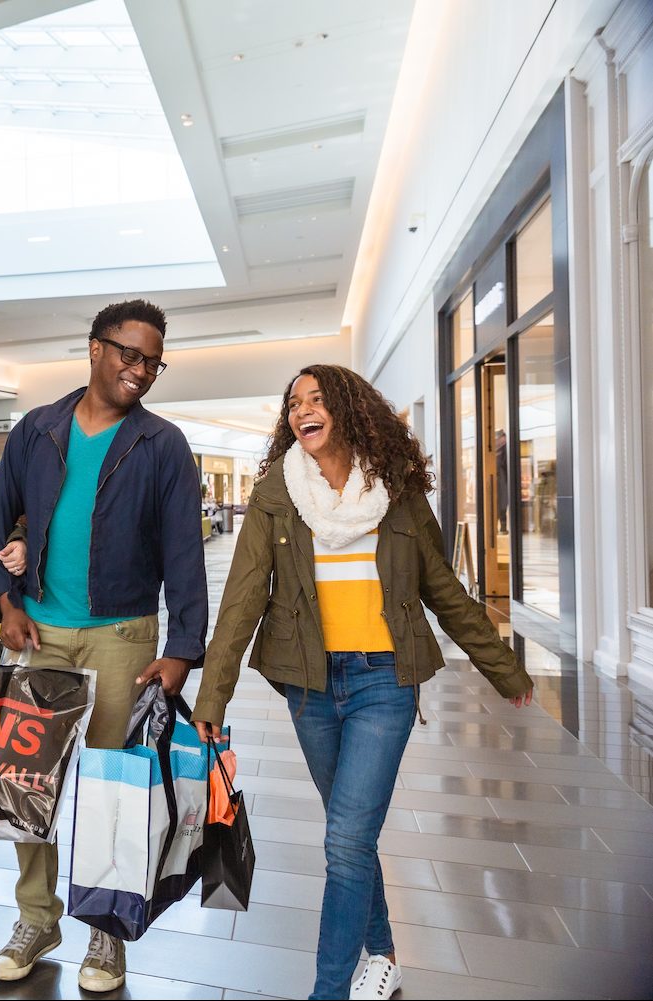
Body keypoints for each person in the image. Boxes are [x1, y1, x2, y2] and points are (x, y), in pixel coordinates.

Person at [191, 365, 534, 1001]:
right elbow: (242, 600)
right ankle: (382, 953)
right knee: (351, 834)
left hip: (384, 682)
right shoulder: (277, 491)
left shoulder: (397, 492)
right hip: (310, 684)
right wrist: (211, 697)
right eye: (294, 403)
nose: (302, 411)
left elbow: (444, 591)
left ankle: (329, 991)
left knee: (346, 839)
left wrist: (505, 668)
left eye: (317, 400)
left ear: (351, 409)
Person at [0, 299, 208, 993]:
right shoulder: (37, 428)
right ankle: (35, 917)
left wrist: (182, 646)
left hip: (121, 636)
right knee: (26, 783)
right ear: (93, 349)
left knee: (113, 790)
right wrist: (4, 603)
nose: (140, 370)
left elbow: (182, 551)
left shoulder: (160, 443)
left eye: (151, 361)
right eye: (128, 355)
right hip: (39, 633)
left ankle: (106, 931)